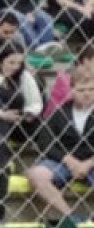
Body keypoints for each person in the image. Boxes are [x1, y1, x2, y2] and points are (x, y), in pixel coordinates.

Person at [0, 46, 44, 223]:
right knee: (1, 123)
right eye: (11, 62)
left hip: (20, 121)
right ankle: (0, 165)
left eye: (19, 63)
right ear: (0, 61)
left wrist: (27, 113)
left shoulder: (25, 77)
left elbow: (36, 103)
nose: (15, 66)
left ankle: (47, 162)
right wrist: (1, 113)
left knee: (42, 125)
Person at [25, 70, 94, 219]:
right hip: (64, 161)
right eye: (81, 90)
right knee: (36, 174)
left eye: (91, 89)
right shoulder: (60, 112)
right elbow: (45, 141)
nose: (87, 94)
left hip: (91, 161)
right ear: (72, 91)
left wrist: (88, 163)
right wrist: (69, 160)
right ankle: (70, 216)